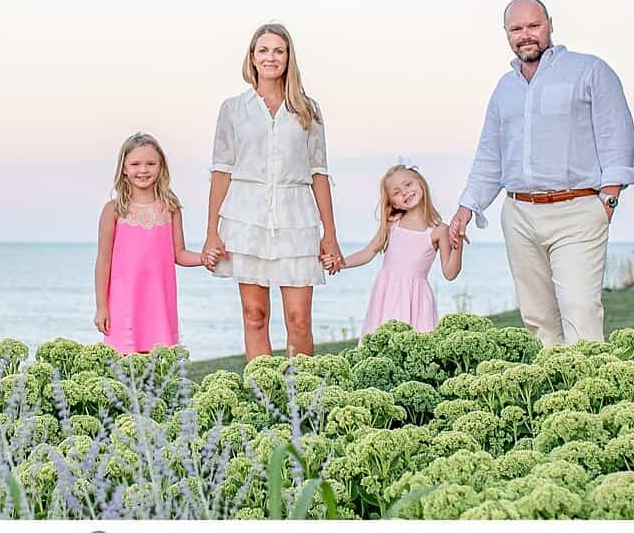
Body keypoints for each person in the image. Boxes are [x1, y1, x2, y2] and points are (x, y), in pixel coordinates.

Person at [449, 0, 634, 345]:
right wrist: (466, 208)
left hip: (578, 210)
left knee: (580, 311)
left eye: (533, 26)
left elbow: (617, 136)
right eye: (516, 29)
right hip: (519, 213)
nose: (526, 36)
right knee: (536, 318)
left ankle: (591, 394)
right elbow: (490, 157)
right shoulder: (504, 89)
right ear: (506, 33)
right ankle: (554, 394)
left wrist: (608, 200)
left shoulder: (590, 71)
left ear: (550, 24)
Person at [200, 21, 344, 357]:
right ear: (252, 57)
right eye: (263, 50)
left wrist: (330, 234)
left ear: (288, 57)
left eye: (278, 50)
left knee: (299, 320)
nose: (271, 57)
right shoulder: (233, 109)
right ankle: (262, 398)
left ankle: (302, 399)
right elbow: (221, 171)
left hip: (296, 220)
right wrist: (211, 232)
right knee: (254, 316)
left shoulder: (307, 109)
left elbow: (319, 173)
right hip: (246, 219)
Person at [93, 132, 207, 352]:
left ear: (160, 166)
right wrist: (101, 307)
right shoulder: (114, 210)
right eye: (135, 164)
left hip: (159, 304)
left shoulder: (170, 207)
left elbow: (179, 253)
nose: (143, 170)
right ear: (124, 168)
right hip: (124, 304)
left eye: (150, 163)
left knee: (158, 368)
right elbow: (103, 261)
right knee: (124, 366)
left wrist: (204, 258)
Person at [339, 162, 463, 336]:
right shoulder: (392, 224)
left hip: (416, 299)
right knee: (384, 343)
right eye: (396, 192)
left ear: (421, 183)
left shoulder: (439, 230)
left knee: (415, 347)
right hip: (386, 294)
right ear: (393, 203)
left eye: (408, 184)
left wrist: (458, 244)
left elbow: (450, 273)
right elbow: (368, 253)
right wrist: (340, 263)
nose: (405, 192)